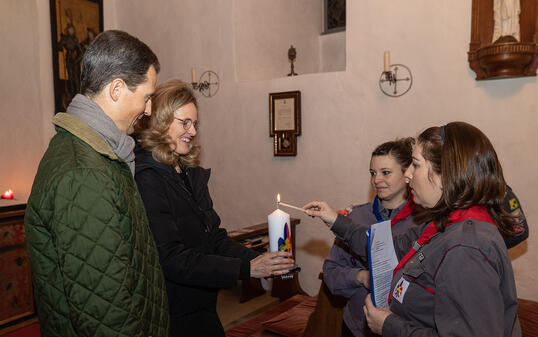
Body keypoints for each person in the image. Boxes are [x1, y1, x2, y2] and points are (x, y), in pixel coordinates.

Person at [305, 122, 522, 336]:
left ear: (445, 175)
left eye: (416, 165)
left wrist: (389, 325)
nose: (407, 174)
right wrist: (334, 219)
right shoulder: (446, 225)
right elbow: (386, 247)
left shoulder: (465, 248)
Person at [24, 30, 169, 337]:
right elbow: (104, 311)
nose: (148, 110)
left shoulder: (99, 154)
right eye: (146, 97)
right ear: (117, 89)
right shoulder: (83, 173)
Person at [133, 79, 295, 337]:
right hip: (171, 313)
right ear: (161, 122)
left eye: (194, 124)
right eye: (184, 122)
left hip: (202, 304)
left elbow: (215, 239)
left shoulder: (188, 172)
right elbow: (171, 258)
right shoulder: (148, 177)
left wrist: (260, 261)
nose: (193, 131)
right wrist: (246, 269)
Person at [323, 138, 418, 337]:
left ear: (407, 174)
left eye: (386, 173)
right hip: (358, 326)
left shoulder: (421, 222)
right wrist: (360, 277)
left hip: (404, 328)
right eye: (373, 173)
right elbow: (331, 273)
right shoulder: (356, 217)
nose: (376, 180)